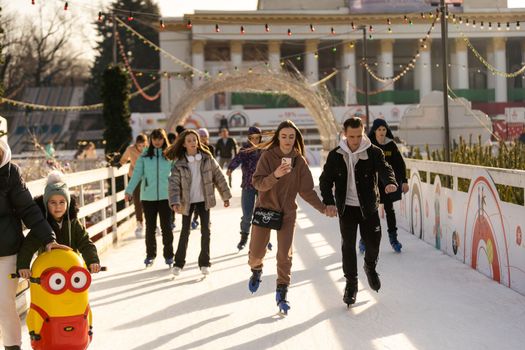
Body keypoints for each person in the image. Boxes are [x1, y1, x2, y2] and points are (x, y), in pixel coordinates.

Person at [247, 120, 328, 314]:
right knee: (255, 255)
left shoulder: (299, 161)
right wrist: (275, 175)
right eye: (284, 136)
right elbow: (257, 183)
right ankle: (256, 269)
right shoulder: (268, 156)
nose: (287, 140)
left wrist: (323, 208)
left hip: (287, 213)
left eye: (291, 137)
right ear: (278, 137)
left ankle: (282, 291)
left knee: (284, 254)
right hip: (265, 210)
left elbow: (307, 191)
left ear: (296, 139)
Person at [319, 117, 397, 307]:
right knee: (348, 246)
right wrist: (329, 202)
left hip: (368, 207)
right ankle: (351, 284)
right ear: (344, 134)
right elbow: (325, 181)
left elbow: (385, 169)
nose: (355, 140)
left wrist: (390, 183)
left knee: (373, 244)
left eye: (359, 136)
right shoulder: (336, 155)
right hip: (347, 208)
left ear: (363, 133)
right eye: (351, 136)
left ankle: (370, 266)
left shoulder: (373, 152)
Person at [0, 139, 66, 350]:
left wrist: (49, 239)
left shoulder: (10, 173)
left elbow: (28, 209)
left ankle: (12, 346)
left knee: (3, 303)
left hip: (6, 252)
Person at [166, 130, 231, 276]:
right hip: (187, 202)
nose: (192, 143)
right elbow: (173, 184)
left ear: (198, 142)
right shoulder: (179, 163)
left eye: (194, 140)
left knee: (205, 231)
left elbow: (219, 176)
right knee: (185, 232)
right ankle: (178, 263)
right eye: (189, 141)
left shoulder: (207, 158)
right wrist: (175, 201)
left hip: (203, 200)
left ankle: (204, 263)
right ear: (183, 144)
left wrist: (225, 196)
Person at [17, 171, 101, 278]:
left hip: (72, 269)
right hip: (48, 271)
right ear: (46, 204)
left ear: (68, 203)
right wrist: (23, 266)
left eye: (62, 202)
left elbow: (85, 243)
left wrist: (92, 261)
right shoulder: (42, 226)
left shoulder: (73, 223)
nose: (58, 207)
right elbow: (28, 246)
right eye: (53, 202)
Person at [124, 129, 174, 268]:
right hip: (148, 197)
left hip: (166, 196)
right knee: (150, 228)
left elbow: (177, 174)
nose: (157, 142)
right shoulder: (144, 156)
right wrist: (129, 191)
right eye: (155, 139)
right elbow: (136, 175)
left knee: (166, 227)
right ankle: (150, 255)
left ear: (164, 140)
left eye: (160, 139)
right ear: (151, 140)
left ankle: (169, 255)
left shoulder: (169, 155)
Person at [358, 119, 409, 253]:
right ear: (374, 130)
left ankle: (394, 239)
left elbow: (400, 164)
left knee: (389, 210)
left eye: (384, 129)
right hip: (372, 184)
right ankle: (364, 239)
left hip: (387, 184)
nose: (382, 132)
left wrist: (404, 181)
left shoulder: (391, 145)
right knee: (369, 212)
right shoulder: (368, 145)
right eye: (379, 129)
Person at [226, 126, 264, 250]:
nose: (255, 140)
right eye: (252, 138)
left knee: (262, 213)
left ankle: (264, 239)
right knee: (247, 214)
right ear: (249, 138)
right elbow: (237, 159)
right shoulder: (245, 150)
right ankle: (244, 237)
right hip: (248, 185)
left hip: (263, 186)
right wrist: (231, 168)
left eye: (257, 137)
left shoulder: (264, 149)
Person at [120, 134, 148, 238]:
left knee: (147, 201)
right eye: (139, 145)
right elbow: (123, 159)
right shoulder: (131, 149)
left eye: (143, 145)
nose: (141, 148)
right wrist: (118, 164)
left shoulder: (149, 149)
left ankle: (150, 222)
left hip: (146, 178)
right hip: (135, 177)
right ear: (136, 144)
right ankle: (139, 223)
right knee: (137, 201)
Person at [190, 128, 215, 230]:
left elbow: (212, 162)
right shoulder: (195, 148)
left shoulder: (210, 148)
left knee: (207, 200)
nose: (203, 138)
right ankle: (195, 218)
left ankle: (207, 219)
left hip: (208, 178)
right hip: (197, 178)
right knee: (197, 201)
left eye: (205, 136)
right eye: (201, 136)